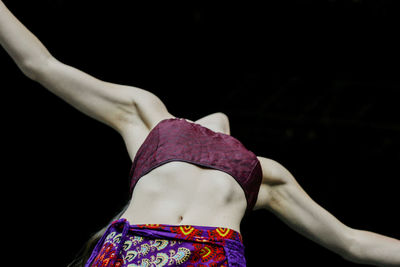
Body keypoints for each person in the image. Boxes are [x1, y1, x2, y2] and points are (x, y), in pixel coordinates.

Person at [1, 2, 399, 266]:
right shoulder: (149, 118)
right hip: (137, 250)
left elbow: (352, 243)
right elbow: (40, 64)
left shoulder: (264, 173)